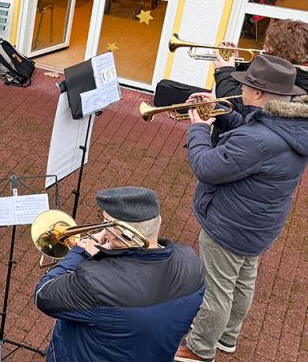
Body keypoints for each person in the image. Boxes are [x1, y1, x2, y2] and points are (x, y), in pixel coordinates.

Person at [175, 55, 308, 362]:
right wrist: (220, 114)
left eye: (245, 83)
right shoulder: (291, 122)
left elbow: (207, 167)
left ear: (259, 93)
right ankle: (227, 336)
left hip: (230, 223)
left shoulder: (257, 139)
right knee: (243, 281)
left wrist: (198, 128)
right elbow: (252, 136)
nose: (241, 88)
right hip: (259, 224)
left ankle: (199, 348)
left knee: (215, 290)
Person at [35, 187, 204, 362]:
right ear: (158, 222)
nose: (102, 226)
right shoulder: (191, 261)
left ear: (118, 231)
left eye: (105, 221)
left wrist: (82, 252)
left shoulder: (96, 281)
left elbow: (44, 294)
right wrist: (114, 257)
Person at [214, 19, 308, 116]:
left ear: (283, 48)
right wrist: (237, 64)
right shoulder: (298, 73)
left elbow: (230, 101)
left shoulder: (278, 75)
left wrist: (224, 70)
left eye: (269, 44)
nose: (263, 46)